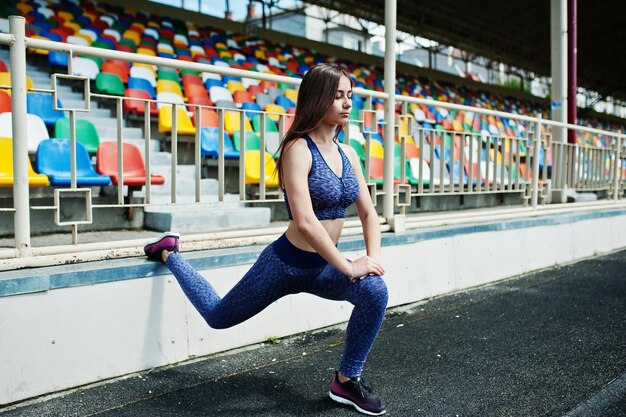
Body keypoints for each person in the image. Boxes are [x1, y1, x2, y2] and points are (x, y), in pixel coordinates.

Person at [143, 64, 389, 416]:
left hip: (323, 267)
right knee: (217, 316)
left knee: (375, 292)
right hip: (285, 264)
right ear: (317, 99)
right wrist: (349, 266)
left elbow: (368, 214)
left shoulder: (349, 154)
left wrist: (372, 261)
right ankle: (170, 254)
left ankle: (346, 381)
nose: (347, 103)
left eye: (350, 95)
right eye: (337, 96)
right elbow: (304, 221)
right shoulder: (297, 149)